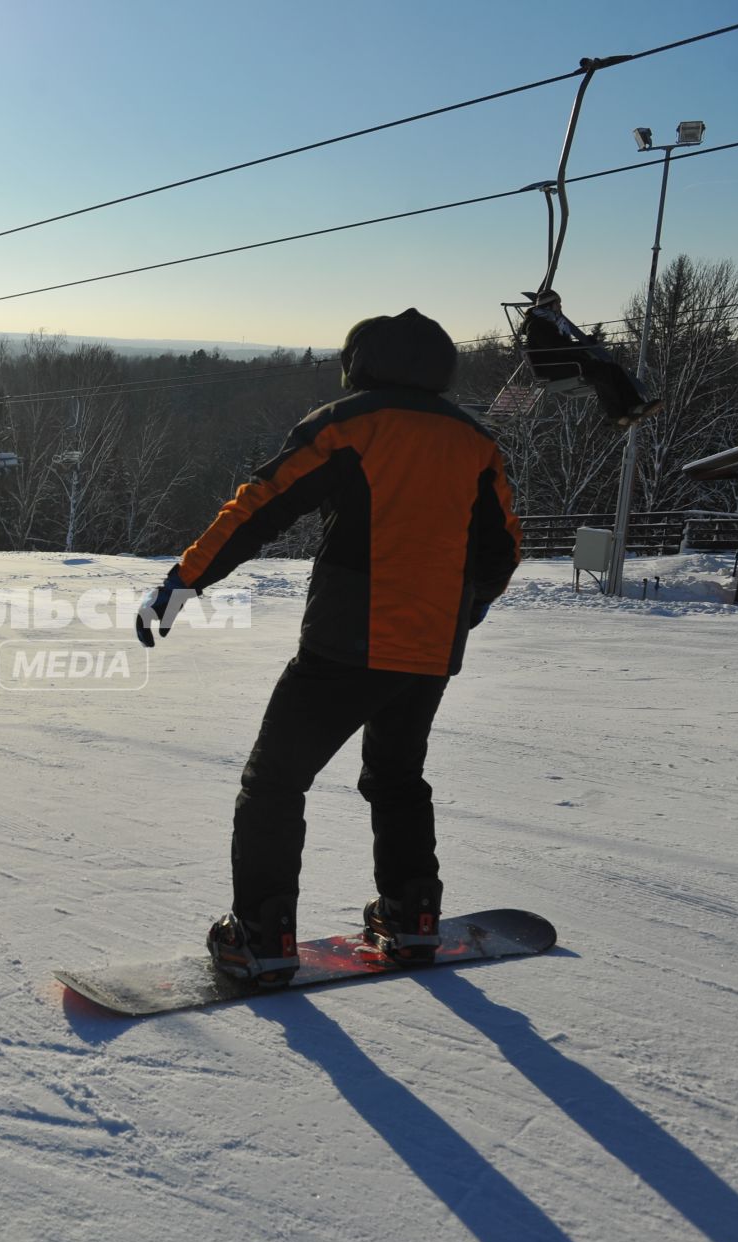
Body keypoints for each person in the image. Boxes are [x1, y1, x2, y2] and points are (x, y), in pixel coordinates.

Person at [137, 308, 522, 987]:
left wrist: (183, 582)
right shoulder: (473, 442)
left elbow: (258, 506)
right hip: (432, 645)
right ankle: (413, 918)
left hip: (347, 639)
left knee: (275, 781)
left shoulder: (348, 424)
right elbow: (505, 545)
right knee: (397, 775)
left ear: (361, 361)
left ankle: (261, 936)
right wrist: (471, 604)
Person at [521, 289, 662, 427]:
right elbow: (555, 347)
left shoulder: (547, 322)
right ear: (549, 305)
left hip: (562, 363)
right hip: (552, 368)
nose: (560, 307)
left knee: (613, 368)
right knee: (601, 372)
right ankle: (616, 414)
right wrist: (581, 347)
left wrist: (582, 344)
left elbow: (560, 345)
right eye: (557, 304)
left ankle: (634, 406)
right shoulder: (537, 325)